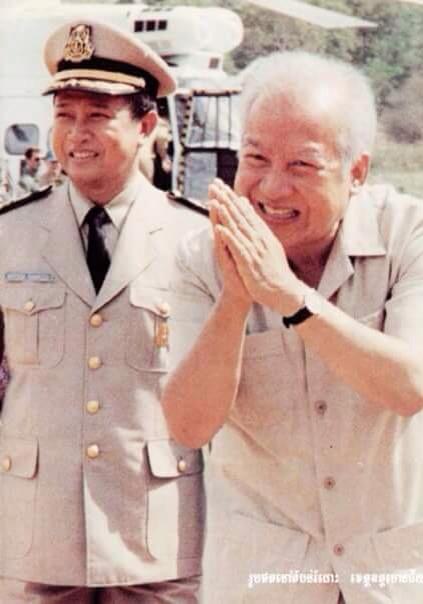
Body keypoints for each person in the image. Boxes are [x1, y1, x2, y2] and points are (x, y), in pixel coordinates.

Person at [162, 51, 423, 603]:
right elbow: (189, 426)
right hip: (266, 579)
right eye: (255, 158)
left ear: (357, 172)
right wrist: (234, 301)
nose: (271, 189)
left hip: (391, 573)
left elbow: (410, 386)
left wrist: (290, 299)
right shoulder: (197, 258)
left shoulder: (407, 235)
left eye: (301, 166)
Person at [0, 19, 208, 603]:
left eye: (97, 115)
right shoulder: (9, 236)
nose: (76, 134)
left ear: (145, 125)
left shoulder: (199, 242)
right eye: (65, 115)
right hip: (33, 538)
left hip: (159, 541)